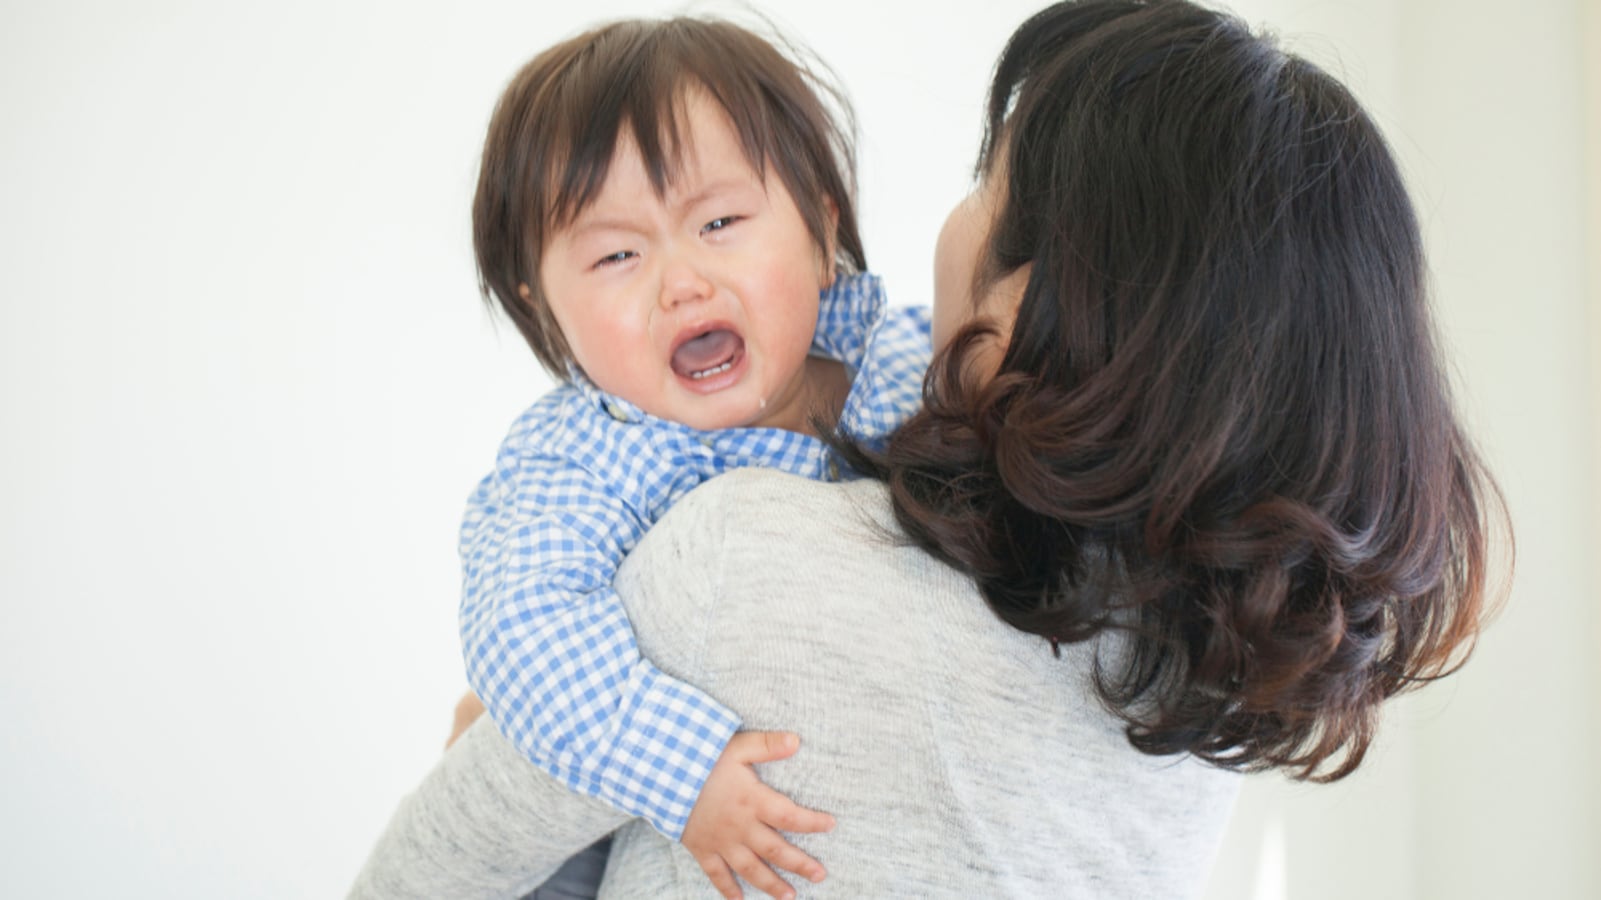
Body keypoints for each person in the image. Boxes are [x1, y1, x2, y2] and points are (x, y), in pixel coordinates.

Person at [352, 1, 1502, 897]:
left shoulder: (744, 558)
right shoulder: (1218, 666)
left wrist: (505, 757)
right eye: (613, 256)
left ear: (1036, 305)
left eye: (980, 178)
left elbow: (427, 878)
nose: (682, 279)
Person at [456, 14, 932, 900]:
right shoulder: (586, 456)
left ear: (822, 231)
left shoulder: (912, 365)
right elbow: (528, 626)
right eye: (617, 254)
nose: (681, 281)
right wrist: (685, 773)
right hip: (623, 827)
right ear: (545, 309)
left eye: (718, 220)